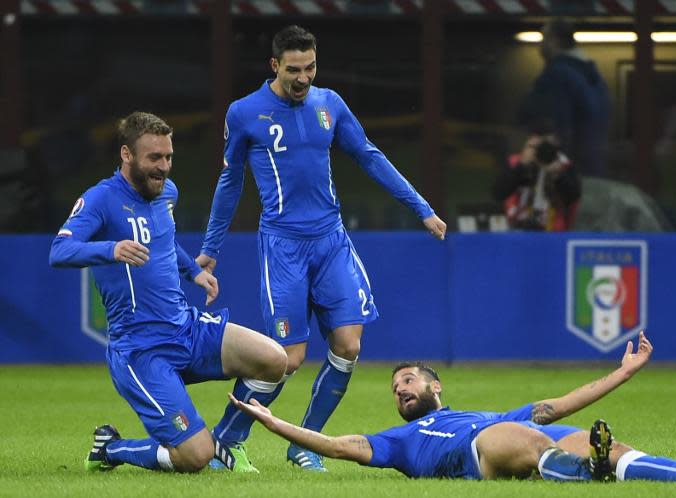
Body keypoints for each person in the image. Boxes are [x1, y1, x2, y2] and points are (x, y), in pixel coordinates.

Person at [196, 25, 447, 472]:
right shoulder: (245, 113)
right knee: (286, 359)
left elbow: (369, 155)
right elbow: (230, 180)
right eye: (294, 69)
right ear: (274, 66)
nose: (303, 78)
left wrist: (421, 207)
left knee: (348, 345)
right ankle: (226, 441)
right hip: (283, 246)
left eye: (310, 67)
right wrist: (211, 246)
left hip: (331, 242)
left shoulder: (329, 105)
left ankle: (304, 445)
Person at [49, 112, 288, 473]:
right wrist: (110, 249)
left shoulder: (166, 193)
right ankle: (112, 450)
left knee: (274, 360)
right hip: (141, 348)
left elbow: (163, 240)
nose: (164, 167)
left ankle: (227, 441)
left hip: (186, 328)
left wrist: (193, 271)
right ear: (127, 155)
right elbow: (59, 251)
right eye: (154, 158)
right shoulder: (100, 199)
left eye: (169, 157)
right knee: (194, 457)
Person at [229, 332, 676, 482]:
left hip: (507, 438)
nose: (400, 391)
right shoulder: (399, 442)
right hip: (480, 456)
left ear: (435, 387)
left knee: (585, 438)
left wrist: (624, 371)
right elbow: (339, 446)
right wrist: (276, 425)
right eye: (395, 389)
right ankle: (584, 471)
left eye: (408, 381)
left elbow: (558, 404)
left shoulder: (480, 412)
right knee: (519, 438)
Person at [518, 19, 611, 178]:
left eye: (543, 39)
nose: (540, 46)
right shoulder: (594, 79)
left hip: (565, 171)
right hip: (592, 168)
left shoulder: (557, 75)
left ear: (554, 40)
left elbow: (553, 122)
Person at [491, 124, 581, 230]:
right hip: (517, 229)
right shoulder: (515, 162)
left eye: (547, 145)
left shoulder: (564, 165)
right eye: (539, 146)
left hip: (553, 232)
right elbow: (498, 193)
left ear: (556, 144)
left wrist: (557, 175)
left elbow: (573, 198)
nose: (543, 149)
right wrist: (522, 166)